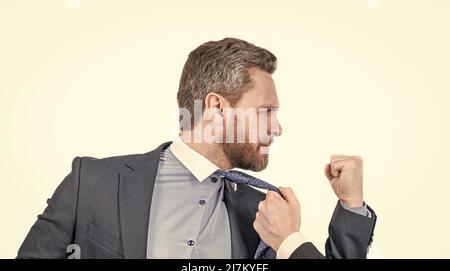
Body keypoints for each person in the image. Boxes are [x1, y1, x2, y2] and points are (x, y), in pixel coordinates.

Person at [17, 37, 375, 259]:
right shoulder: (93, 182)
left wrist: (351, 206)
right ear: (217, 107)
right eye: (266, 112)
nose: (277, 128)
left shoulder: (263, 214)